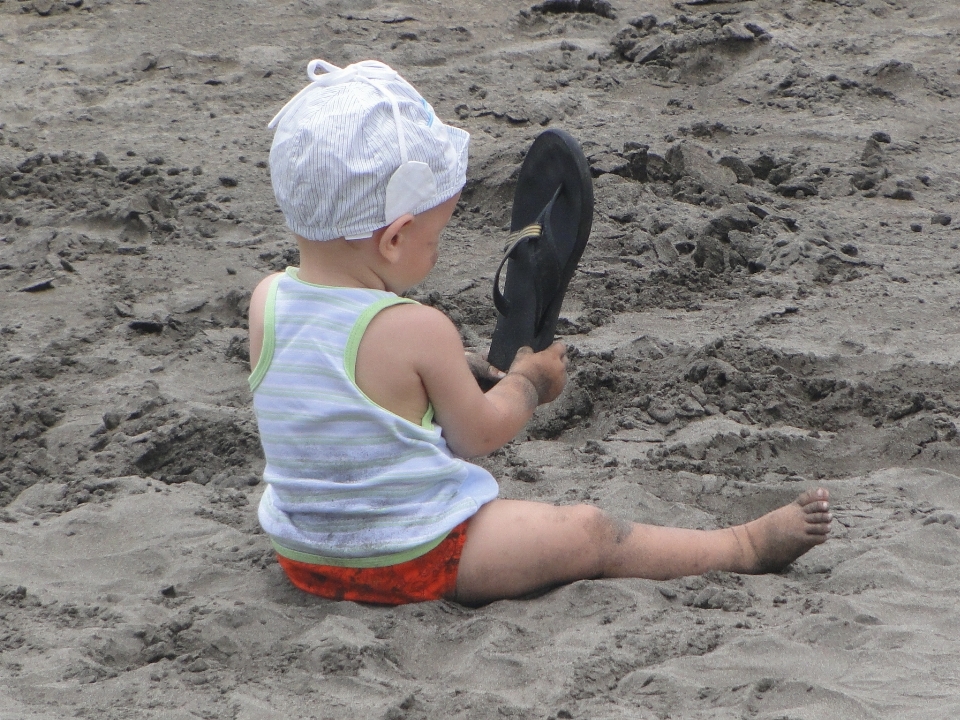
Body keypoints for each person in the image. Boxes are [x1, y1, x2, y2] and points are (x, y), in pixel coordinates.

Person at [247, 59, 832, 606]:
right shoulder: (418, 328)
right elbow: (478, 434)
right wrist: (528, 381)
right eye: (436, 235)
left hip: (305, 557)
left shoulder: (267, 300)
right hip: (412, 557)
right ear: (395, 239)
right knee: (592, 533)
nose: (438, 246)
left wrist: (447, 373)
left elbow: (340, 397)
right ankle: (741, 547)